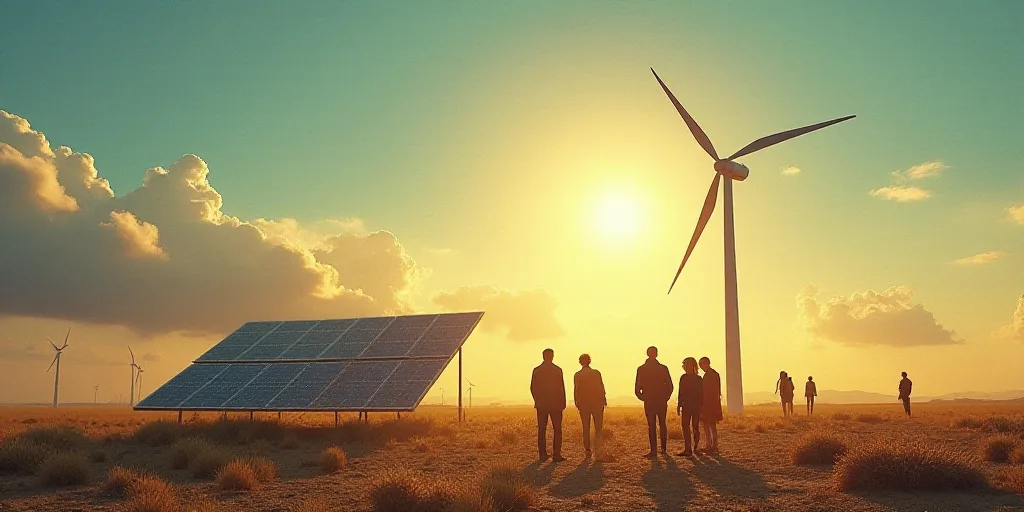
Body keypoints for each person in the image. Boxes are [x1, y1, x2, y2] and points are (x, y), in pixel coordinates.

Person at [635, 346, 674, 457]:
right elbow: (670, 386)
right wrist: (665, 397)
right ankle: (662, 449)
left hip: (652, 401)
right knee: (660, 424)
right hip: (658, 400)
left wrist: (644, 397)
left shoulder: (642, 369)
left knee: (653, 425)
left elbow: (637, 388)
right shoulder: (662, 368)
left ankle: (655, 450)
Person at [531, 348, 567, 462]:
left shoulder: (537, 370)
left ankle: (542, 455)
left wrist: (538, 400)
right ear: (552, 356)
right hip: (556, 405)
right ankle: (556, 454)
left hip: (541, 405)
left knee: (542, 430)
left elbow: (533, 388)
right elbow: (561, 388)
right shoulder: (557, 370)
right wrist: (562, 403)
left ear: (543, 356)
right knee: (557, 429)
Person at [573, 353, 607, 457]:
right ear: (589, 361)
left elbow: (576, 390)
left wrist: (577, 402)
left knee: (586, 427)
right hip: (597, 403)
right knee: (598, 428)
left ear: (580, 362)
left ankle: (587, 449)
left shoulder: (578, 374)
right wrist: (603, 400)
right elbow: (601, 387)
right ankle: (598, 448)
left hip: (584, 404)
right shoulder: (596, 373)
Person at [676, 357, 703, 456]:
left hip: (695, 406)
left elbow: (701, 394)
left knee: (695, 427)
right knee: (685, 427)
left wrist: (701, 407)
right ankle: (688, 448)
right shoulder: (683, 377)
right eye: (684, 365)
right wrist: (679, 405)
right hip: (686, 406)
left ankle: (695, 447)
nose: (684, 367)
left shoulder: (698, 379)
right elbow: (680, 393)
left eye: (686, 365)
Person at [698, 356, 722, 454]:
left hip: (710, 404)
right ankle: (709, 445)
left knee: (711, 425)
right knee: (706, 425)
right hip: (707, 404)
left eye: (702, 364)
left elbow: (713, 391)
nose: (701, 366)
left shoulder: (712, 375)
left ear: (707, 363)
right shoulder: (709, 374)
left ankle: (714, 446)